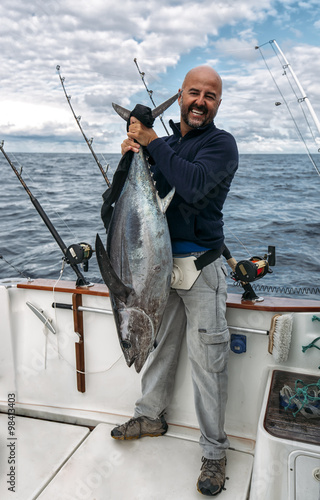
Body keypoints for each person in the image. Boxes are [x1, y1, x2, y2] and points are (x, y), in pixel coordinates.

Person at [110, 65, 238, 497]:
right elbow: (119, 208)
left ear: (218, 104)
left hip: (201, 270)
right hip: (156, 272)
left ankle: (215, 454)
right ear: (180, 96)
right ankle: (150, 415)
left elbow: (193, 185)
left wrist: (151, 141)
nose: (201, 101)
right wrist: (130, 153)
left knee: (208, 364)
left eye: (211, 96)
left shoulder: (221, 145)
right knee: (160, 349)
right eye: (194, 93)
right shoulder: (165, 146)